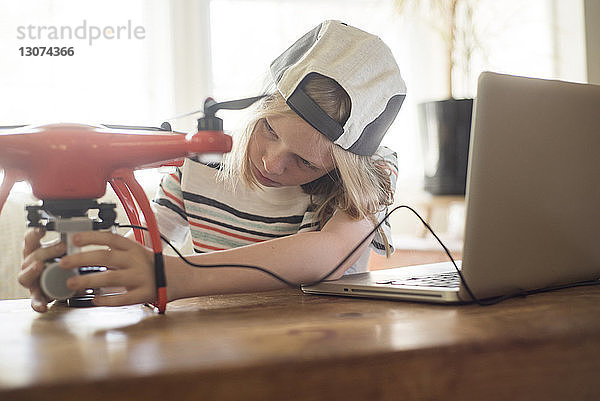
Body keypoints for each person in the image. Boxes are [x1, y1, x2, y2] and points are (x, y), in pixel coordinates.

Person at [19, 20, 407, 313]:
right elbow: (145, 251)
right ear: (256, 108)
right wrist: (77, 274)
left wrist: (178, 275)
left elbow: (329, 253)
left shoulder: (371, 176)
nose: (271, 163)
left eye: (304, 161)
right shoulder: (200, 160)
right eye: (269, 130)